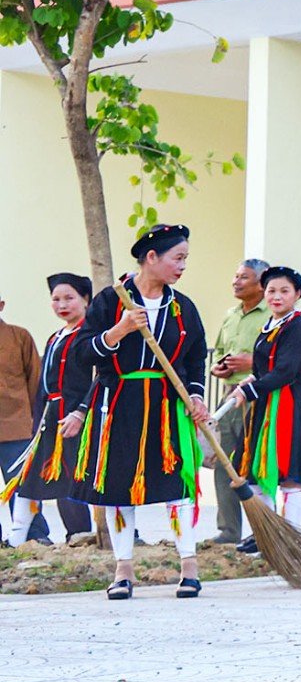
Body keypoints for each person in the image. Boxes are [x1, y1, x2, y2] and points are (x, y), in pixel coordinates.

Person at [70, 224, 214, 600]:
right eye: (177, 258)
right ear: (152, 258)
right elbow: (83, 353)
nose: (182, 266)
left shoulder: (181, 306)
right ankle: (123, 570)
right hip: (119, 404)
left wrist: (195, 396)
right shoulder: (110, 300)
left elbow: (196, 356)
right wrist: (118, 331)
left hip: (167, 405)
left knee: (179, 484)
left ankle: (189, 566)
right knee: (119, 489)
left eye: (185, 259)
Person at [3, 276, 95, 547]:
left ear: (86, 300)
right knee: (30, 477)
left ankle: (80, 535)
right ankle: (17, 538)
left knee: (72, 478)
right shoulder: (56, 337)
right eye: (56, 299)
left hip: (77, 416)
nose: (61, 305)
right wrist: (39, 418)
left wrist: (81, 411)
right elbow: (44, 381)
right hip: (50, 416)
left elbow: (99, 378)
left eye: (69, 298)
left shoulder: (89, 336)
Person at [237, 267, 301, 534]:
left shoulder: (297, 327)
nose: (276, 297)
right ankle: (266, 533)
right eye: (271, 291)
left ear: (297, 294)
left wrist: (252, 390)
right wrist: (252, 379)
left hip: (291, 408)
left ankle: (291, 536)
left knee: (289, 473)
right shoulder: (269, 327)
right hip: (266, 404)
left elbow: (286, 371)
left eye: (284, 291)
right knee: (254, 471)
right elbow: (265, 368)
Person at [204, 258, 271, 547]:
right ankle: (228, 529)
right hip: (229, 397)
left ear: (261, 282)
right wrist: (218, 368)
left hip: (257, 396)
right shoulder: (231, 315)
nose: (236, 282)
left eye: (243, 277)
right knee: (224, 462)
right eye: (236, 276)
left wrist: (251, 362)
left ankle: (263, 529)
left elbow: (281, 358)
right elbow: (219, 351)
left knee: (256, 464)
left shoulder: (272, 314)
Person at [0, 294, 37, 542]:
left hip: (16, 424)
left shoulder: (19, 336)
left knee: (23, 484)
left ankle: (34, 535)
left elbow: (34, 379)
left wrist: (32, 418)